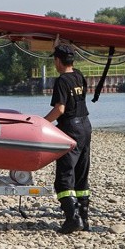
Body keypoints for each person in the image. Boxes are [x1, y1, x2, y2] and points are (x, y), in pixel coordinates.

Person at [43, 44, 92, 233]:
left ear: (57, 60)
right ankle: (85, 220)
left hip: (70, 127)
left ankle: (73, 219)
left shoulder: (62, 81)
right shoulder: (79, 75)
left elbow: (60, 109)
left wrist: (43, 124)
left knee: (64, 177)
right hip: (86, 126)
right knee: (81, 173)